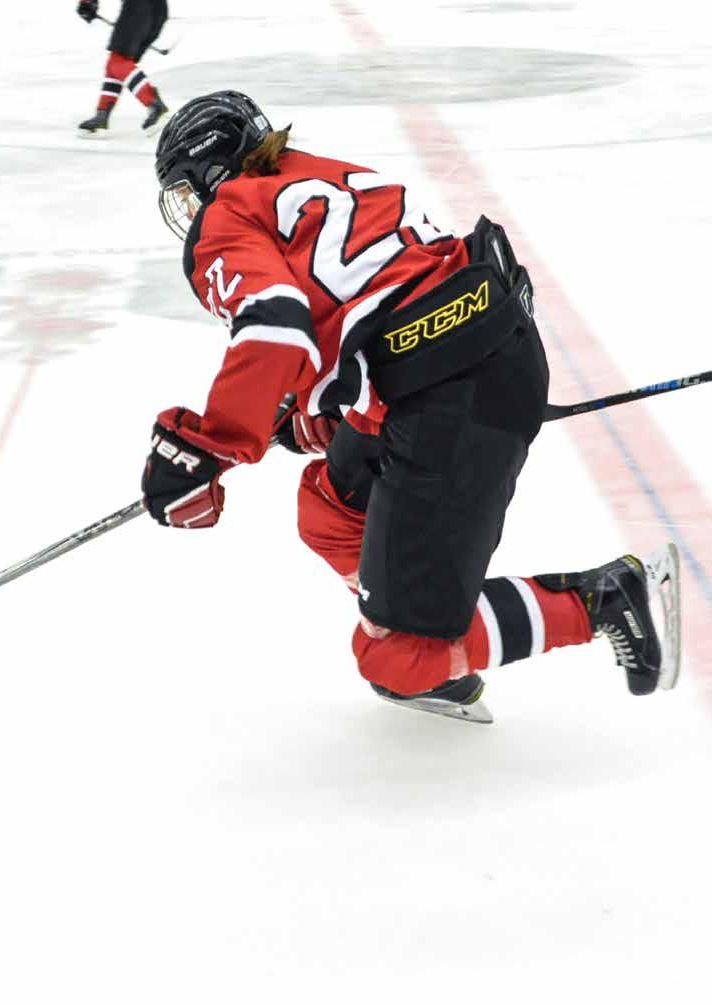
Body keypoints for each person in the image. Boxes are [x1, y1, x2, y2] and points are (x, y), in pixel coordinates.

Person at [140, 90, 680, 722]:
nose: (192, 208)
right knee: (330, 510)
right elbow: (370, 293)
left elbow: (275, 326)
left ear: (210, 169)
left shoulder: (226, 213)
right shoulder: (314, 173)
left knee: (396, 661)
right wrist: (323, 394)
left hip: (445, 391)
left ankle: (603, 600)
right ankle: (413, 618)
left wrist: (210, 445)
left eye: (187, 189)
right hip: (469, 355)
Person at [75, 0, 170, 137]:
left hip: (138, 8)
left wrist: (87, 3)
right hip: (158, 10)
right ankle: (102, 115)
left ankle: (155, 105)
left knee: (118, 62)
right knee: (117, 63)